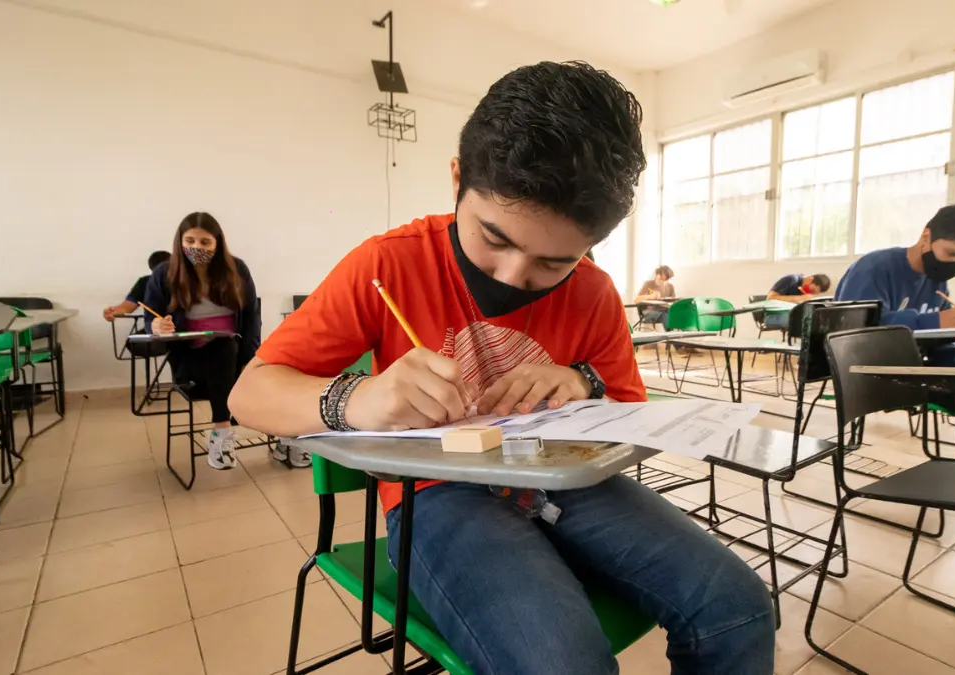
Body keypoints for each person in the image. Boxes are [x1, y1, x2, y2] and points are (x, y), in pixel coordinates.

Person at [228, 62, 774, 674]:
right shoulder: (388, 264)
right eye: (494, 237)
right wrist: (356, 400)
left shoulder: (592, 291)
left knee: (739, 606)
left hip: (566, 480)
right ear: (457, 179)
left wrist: (583, 380)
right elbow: (249, 393)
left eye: (554, 261)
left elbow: (628, 408)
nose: (513, 278)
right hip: (437, 494)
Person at [144, 212, 264, 470]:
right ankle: (222, 432)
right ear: (180, 242)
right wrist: (156, 325)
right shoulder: (165, 274)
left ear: (217, 243)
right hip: (190, 361)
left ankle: (288, 437)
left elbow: (252, 316)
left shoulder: (237, 269)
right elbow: (149, 318)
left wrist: (253, 359)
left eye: (205, 242)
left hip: (235, 357)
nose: (196, 247)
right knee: (222, 347)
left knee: (267, 361)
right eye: (190, 241)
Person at [835, 204, 955, 367]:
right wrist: (932, 322)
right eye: (952, 253)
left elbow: (939, 345)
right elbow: (856, 332)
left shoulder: (937, 281)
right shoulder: (874, 269)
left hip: (910, 373)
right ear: (926, 237)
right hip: (865, 374)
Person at [103, 250, 171, 321]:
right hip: (155, 328)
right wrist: (112, 311)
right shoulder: (144, 282)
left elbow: (128, 306)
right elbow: (128, 306)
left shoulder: (182, 280)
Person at [766, 273, 831, 303]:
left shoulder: (802, 289)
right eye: (812, 290)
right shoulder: (791, 280)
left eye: (813, 293)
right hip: (774, 314)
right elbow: (770, 298)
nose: (810, 293)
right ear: (810, 279)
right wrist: (801, 298)